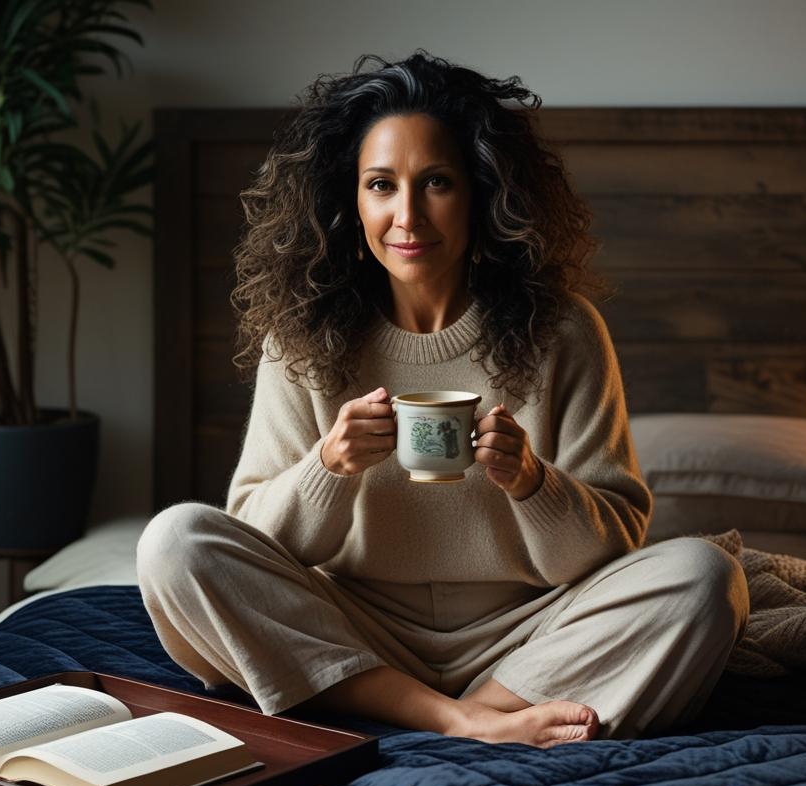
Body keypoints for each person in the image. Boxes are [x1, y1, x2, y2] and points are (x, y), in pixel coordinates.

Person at [137, 51, 748, 747]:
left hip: (528, 635)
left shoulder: (564, 331)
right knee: (174, 542)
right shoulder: (300, 337)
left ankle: (467, 708)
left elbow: (607, 550)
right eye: (380, 185)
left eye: (437, 183)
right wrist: (327, 468)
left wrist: (532, 482)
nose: (407, 215)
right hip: (356, 634)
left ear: (482, 194)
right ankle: (460, 722)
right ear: (350, 201)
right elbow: (253, 537)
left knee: (705, 577)